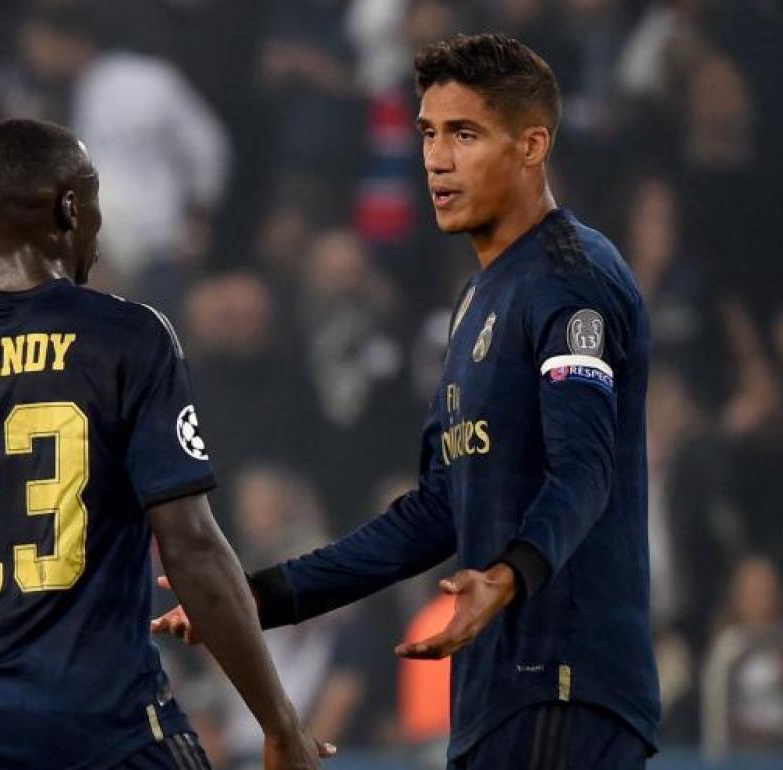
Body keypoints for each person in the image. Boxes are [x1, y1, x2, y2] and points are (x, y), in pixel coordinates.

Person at [153, 34, 659, 769]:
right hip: (493, 695)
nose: (436, 159)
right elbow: (433, 512)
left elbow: (585, 468)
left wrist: (509, 573)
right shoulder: (477, 300)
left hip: (565, 683)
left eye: (464, 134)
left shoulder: (570, 279)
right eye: (427, 133)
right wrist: (259, 597)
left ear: (531, 146)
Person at [0, 119, 331, 770]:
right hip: (99, 717)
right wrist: (280, 725)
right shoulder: (128, 338)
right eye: (95, 199)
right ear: (73, 207)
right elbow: (190, 546)